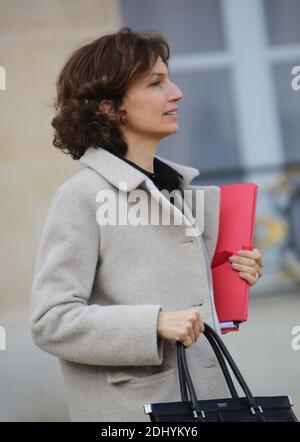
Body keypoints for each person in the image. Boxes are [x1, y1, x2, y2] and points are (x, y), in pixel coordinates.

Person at [29, 27, 264, 422]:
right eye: (156, 83)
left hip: (209, 402)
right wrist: (152, 323)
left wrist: (231, 275)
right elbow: (50, 320)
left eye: (168, 79)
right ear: (108, 107)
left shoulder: (176, 189)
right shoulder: (82, 195)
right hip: (137, 413)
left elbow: (184, 303)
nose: (176, 93)